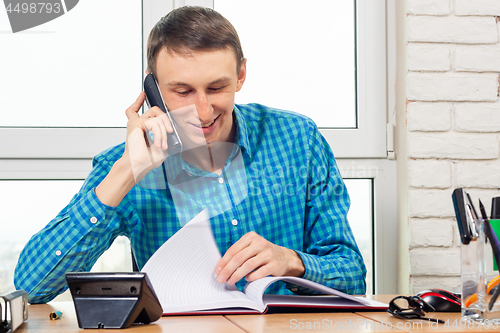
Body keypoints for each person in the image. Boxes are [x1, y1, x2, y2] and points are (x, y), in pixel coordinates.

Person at [14, 6, 366, 304]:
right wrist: (125, 174)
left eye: (217, 87)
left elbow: (352, 276)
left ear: (241, 75)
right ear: (152, 89)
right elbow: (31, 287)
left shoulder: (297, 140)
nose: (201, 109)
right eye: (182, 91)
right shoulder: (123, 165)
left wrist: (292, 261)